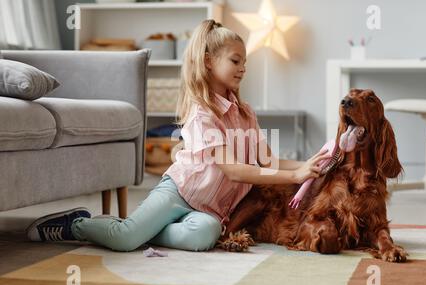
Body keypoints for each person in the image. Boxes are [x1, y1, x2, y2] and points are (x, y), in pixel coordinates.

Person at [26, 19, 329, 252]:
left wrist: (308, 164)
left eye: (244, 63)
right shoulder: (202, 113)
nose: (243, 68)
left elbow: (268, 160)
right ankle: (78, 224)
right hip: (179, 193)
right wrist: (294, 177)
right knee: (125, 240)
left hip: (209, 210)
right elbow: (234, 171)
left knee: (206, 236)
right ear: (209, 61)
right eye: (235, 61)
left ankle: (136, 228)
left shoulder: (245, 112)